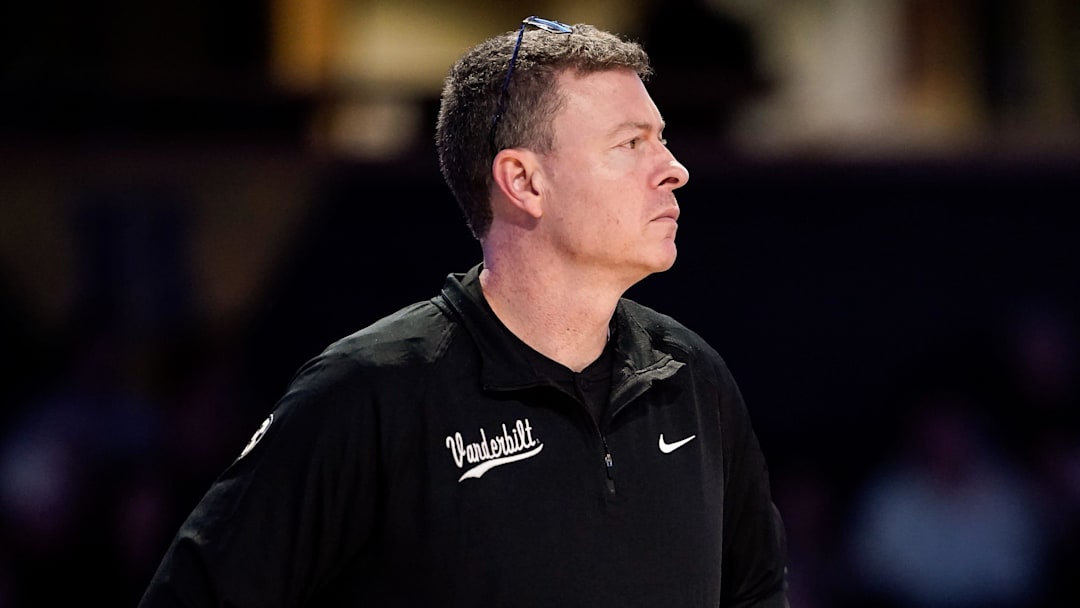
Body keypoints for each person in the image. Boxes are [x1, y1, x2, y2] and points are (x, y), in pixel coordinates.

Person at [138, 16, 788, 607]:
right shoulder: (369, 393)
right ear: (524, 182)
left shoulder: (694, 379)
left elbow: (757, 591)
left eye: (662, 140)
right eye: (631, 144)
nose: (673, 169)